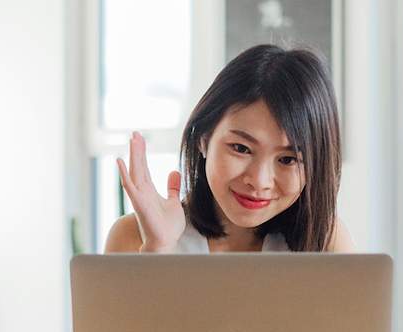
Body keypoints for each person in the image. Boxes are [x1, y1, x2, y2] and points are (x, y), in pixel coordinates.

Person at [105, 44, 355, 254]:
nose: (259, 181)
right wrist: (157, 249)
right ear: (204, 137)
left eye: (288, 159)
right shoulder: (132, 238)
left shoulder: (325, 242)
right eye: (241, 148)